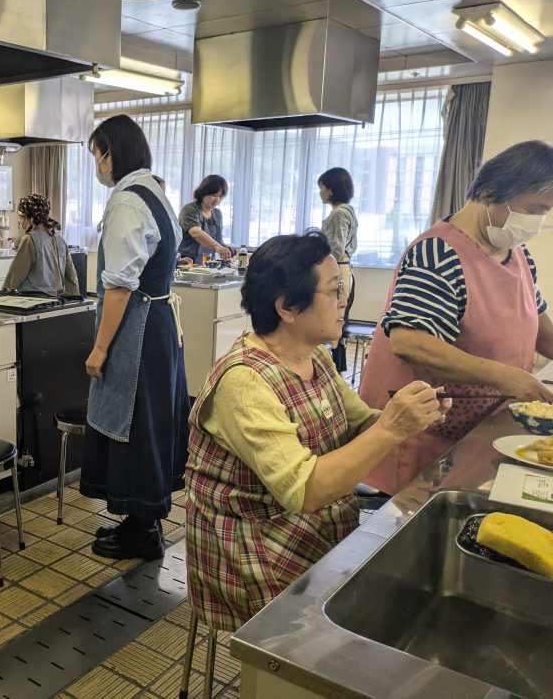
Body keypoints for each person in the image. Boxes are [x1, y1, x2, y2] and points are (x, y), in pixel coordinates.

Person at [185, 230, 449, 630]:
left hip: (315, 531)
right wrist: (392, 429)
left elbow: (362, 423)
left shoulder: (316, 358)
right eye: (334, 290)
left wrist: (408, 415)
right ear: (288, 306)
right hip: (255, 552)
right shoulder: (245, 381)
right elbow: (304, 491)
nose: (345, 300)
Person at [359, 140, 553, 495]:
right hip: (426, 437)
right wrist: (503, 376)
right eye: (535, 209)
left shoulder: (518, 255)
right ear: (492, 192)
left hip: (477, 434)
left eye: (546, 212)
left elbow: (538, 325)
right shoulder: (438, 253)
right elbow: (410, 341)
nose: (539, 221)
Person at [81, 115, 190, 560]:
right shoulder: (156, 190)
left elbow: (120, 285)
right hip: (158, 321)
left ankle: (142, 528)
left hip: (138, 325)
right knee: (150, 422)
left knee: (135, 424)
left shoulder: (127, 200)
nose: (98, 164)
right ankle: (139, 520)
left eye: (98, 154)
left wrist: (101, 348)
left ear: (113, 152)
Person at [319, 167, 358, 372]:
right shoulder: (348, 210)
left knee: (332, 314)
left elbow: (335, 248)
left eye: (322, 188)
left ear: (331, 190)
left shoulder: (338, 213)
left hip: (337, 266)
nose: (320, 193)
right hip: (345, 266)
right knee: (338, 315)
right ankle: (336, 366)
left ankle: (331, 367)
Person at [2, 193, 80, 296]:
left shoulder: (30, 240)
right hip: (56, 299)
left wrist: (2, 295)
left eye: (20, 218)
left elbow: (15, 276)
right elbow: (71, 276)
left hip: (32, 300)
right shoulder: (59, 239)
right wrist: (75, 300)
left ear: (29, 218)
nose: (20, 223)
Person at [178, 175, 237, 263]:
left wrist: (225, 248)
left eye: (220, 196)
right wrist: (218, 247)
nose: (217, 199)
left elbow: (217, 241)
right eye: (214, 195)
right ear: (204, 192)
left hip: (210, 263)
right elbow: (196, 233)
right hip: (189, 262)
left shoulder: (217, 214)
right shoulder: (190, 209)